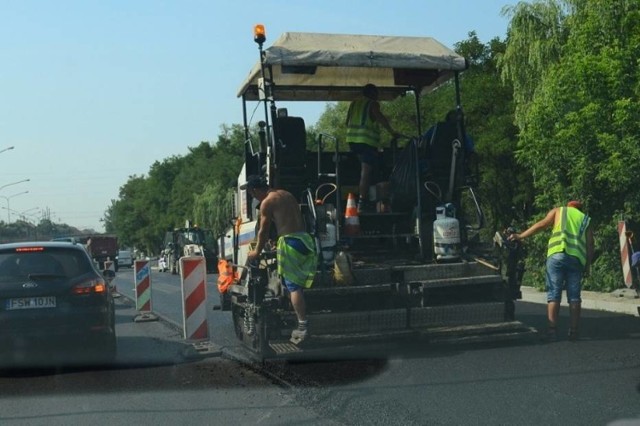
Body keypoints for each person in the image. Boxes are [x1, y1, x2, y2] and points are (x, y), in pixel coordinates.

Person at [243, 175, 317, 345]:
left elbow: (263, 231)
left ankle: (303, 326)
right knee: (299, 281)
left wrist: (256, 251)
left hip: (291, 242)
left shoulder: (267, 202)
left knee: (293, 286)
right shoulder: (286, 194)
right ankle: (298, 313)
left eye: (251, 194)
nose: (253, 197)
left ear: (255, 190)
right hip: (304, 240)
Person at [508, 200, 594, 341]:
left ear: (568, 206)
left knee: (554, 294)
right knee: (574, 297)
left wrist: (520, 235)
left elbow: (541, 225)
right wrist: (587, 265)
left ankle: (552, 331)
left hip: (556, 256)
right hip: (576, 260)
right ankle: (573, 332)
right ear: (580, 209)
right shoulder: (585, 219)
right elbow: (590, 244)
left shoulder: (559, 211)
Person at [346, 83, 402, 212]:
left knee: (363, 170)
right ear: (373, 94)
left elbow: (346, 122)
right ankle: (362, 201)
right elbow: (380, 118)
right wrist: (392, 131)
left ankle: (363, 198)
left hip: (352, 142)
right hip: (366, 142)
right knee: (366, 171)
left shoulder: (354, 104)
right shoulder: (372, 104)